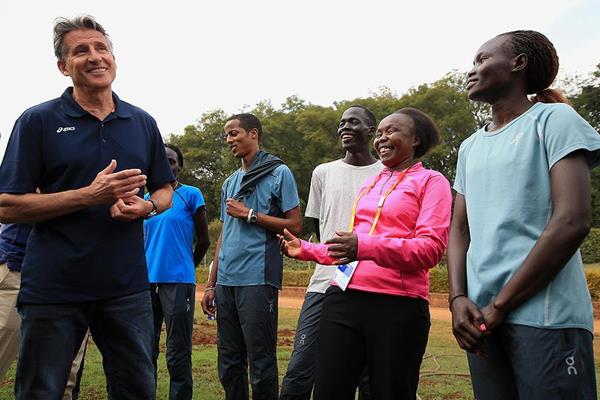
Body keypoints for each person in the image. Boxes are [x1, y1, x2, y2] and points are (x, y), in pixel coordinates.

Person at [0, 15, 173, 399]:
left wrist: (146, 208)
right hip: (54, 287)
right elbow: (7, 206)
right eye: (81, 51)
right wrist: (89, 196)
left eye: (101, 48)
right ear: (64, 67)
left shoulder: (141, 121)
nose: (95, 57)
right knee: (40, 390)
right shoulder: (37, 121)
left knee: (137, 389)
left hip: (126, 286)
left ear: (113, 58)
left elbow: (165, 189)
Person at [448, 30, 600, 400]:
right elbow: (458, 228)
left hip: (545, 318)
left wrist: (501, 306)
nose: (472, 69)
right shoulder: (469, 147)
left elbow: (572, 220)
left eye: (483, 59)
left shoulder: (554, 121)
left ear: (518, 63)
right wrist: (457, 300)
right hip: (481, 319)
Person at [279, 108, 452, 400]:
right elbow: (350, 248)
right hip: (343, 298)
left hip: (397, 306)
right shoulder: (373, 183)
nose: (382, 138)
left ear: (416, 139)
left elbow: (430, 250)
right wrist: (306, 250)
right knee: (328, 390)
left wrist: (364, 246)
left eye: (392, 131)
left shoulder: (432, 182)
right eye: (380, 133)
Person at [279, 105, 383, 400]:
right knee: (301, 367)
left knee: (368, 375)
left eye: (354, 122)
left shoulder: (386, 174)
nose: (345, 127)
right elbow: (320, 225)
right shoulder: (322, 172)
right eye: (341, 123)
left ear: (371, 130)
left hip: (371, 284)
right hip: (325, 281)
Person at [201, 113, 302, 400]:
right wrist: (211, 284)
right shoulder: (229, 182)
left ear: (254, 134)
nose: (229, 140)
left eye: (234, 133)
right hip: (227, 282)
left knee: (260, 361)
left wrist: (250, 214)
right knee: (229, 362)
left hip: (258, 278)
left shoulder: (278, 173)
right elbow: (224, 236)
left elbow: (294, 226)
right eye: (227, 135)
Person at [144, 143, 210, 399]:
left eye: (171, 161)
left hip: (179, 281)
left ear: (179, 165)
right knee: (146, 348)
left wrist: (186, 267)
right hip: (146, 282)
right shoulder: (145, 199)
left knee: (177, 349)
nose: (167, 165)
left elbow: (203, 240)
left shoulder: (191, 194)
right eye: (161, 160)